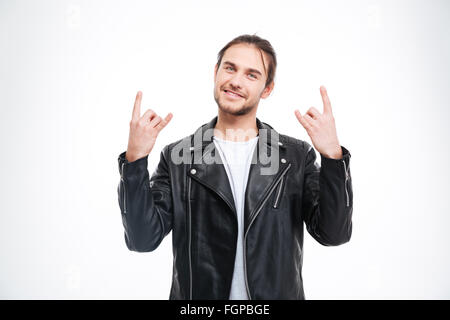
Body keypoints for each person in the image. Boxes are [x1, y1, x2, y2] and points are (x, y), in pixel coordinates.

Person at [117, 34, 353, 300]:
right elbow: (141, 239)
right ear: (216, 72)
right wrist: (135, 159)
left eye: (252, 75)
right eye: (230, 68)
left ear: (267, 89)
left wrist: (333, 157)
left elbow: (334, 234)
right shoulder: (178, 157)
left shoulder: (296, 157)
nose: (236, 81)